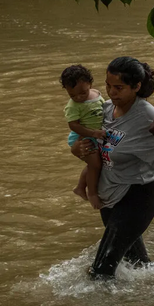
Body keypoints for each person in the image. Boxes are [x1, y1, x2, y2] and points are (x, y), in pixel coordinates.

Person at [73, 57, 154, 280]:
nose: (111, 92)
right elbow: (87, 148)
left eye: (119, 88)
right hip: (109, 195)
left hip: (136, 197)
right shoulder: (106, 109)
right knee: (138, 265)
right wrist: (78, 147)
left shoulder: (146, 116)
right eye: (108, 85)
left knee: (100, 271)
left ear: (136, 87)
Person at [61, 64, 104, 208]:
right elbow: (73, 125)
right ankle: (92, 194)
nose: (78, 97)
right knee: (95, 164)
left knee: (95, 164)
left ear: (90, 84)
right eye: (72, 95)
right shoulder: (73, 106)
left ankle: (80, 187)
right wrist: (92, 133)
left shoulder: (97, 94)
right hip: (83, 137)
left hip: (96, 135)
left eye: (82, 93)